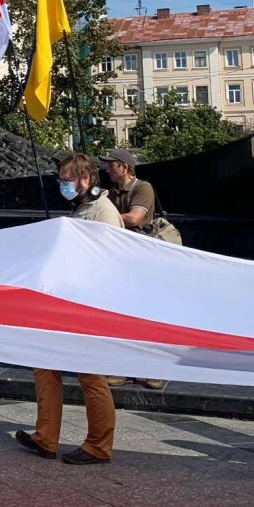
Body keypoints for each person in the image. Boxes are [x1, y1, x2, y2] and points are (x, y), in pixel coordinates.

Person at [15, 153, 121, 466]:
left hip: (90, 305)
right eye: (61, 179)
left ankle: (98, 446)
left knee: (90, 376)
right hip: (66, 303)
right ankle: (45, 438)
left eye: (67, 179)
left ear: (86, 179)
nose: (63, 185)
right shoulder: (81, 209)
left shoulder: (103, 211)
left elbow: (108, 261)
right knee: (44, 365)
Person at [100, 149, 165, 390]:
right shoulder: (111, 193)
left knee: (146, 315)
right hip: (119, 259)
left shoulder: (142, 188)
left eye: (110, 165)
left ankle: (152, 369)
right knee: (122, 315)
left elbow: (135, 218)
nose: (106, 169)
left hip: (141, 259)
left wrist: (105, 216)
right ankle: (123, 367)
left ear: (124, 167)